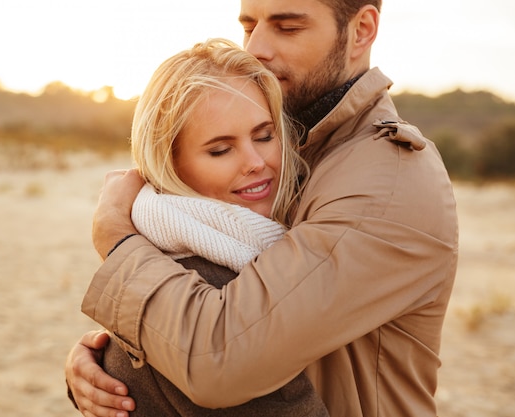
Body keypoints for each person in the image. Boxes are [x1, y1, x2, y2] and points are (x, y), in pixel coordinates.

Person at [68, 1, 459, 416]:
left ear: (361, 30)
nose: (256, 48)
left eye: (286, 27)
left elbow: (221, 357)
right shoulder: (300, 152)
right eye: (249, 26)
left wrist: (117, 237)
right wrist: (111, 357)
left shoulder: (385, 179)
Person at [73, 38, 329, 416]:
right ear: (170, 164)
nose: (256, 162)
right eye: (220, 150)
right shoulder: (208, 290)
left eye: (264, 135)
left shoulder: (186, 256)